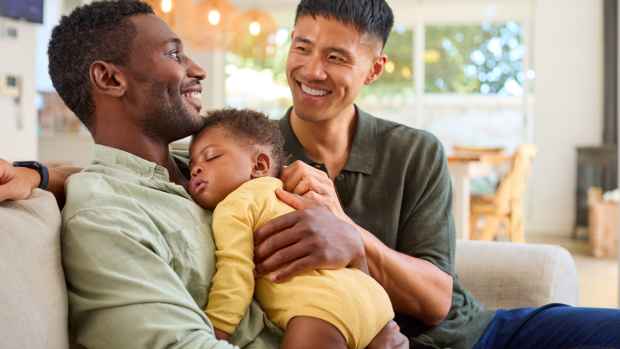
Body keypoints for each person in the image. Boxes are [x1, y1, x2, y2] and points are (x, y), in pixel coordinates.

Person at [3, 0, 619, 348]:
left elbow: (437, 298)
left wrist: (355, 240)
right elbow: (121, 182)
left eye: (335, 56)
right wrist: (45, 173)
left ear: (373, 69)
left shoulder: (405, 151)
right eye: (301, 47)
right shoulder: (234, 159)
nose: (311, 70)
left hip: (466, 331)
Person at [0, 1, 405, 348]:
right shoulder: (108, 217)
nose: (198, 69)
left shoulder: (201, 168)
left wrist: (353, 249)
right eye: (174, 55)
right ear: (110, 78)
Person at [187, 108, 394, 349]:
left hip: (320, 310)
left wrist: (217, 328)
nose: (196, 169)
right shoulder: (295, 196)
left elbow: (236, 272)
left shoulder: (235, 205)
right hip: (373, 298)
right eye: (192, 165)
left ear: (260, 164)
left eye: (211, 157)